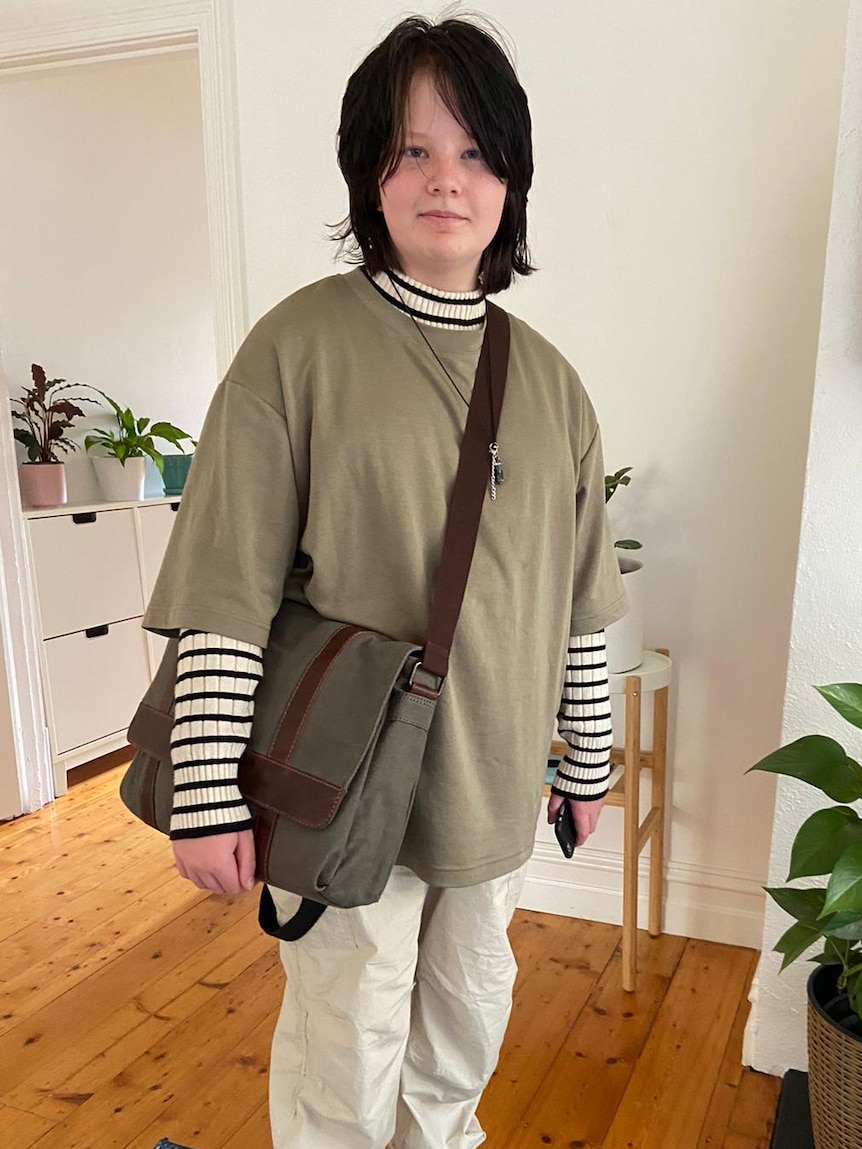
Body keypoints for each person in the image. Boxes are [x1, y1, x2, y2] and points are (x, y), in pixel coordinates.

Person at [142, 14, 627, 1149]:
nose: (443, 180)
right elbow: (228, 584)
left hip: (496, 789)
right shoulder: (295, 350)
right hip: (344, 792)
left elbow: (581, 606)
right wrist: (206, 790)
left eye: (471, 151)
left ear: (510, 176)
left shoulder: (553, 386)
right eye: (411, 150)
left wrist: (587, 761)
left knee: (462, 1032)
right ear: (370, 172)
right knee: (343, 1046)